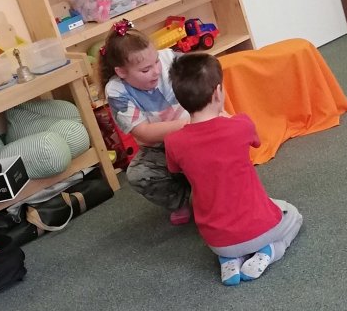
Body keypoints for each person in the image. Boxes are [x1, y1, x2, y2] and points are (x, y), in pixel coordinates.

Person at [164, 52, 303, 286]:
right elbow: (255, 142)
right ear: (218, 92)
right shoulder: (240, 125)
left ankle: (229, 260)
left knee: (244, 216)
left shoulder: (173, 142)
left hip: (217, 241)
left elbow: (175, 168)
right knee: (293, 215)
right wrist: (228, 119)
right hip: (261, 229)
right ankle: (270, 251)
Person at [98, 24, 192, 224]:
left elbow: (207, 72)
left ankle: (211, 193)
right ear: (121, 72)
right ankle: (179, 199)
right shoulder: (116, 90)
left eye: (156, 61)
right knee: (139, 174)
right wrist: (189, 123)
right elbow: (144, 132)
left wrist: (214, 113)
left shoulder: (169, 59)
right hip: (161, 146)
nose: (156, 71)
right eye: (145, 70)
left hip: (195, 136)